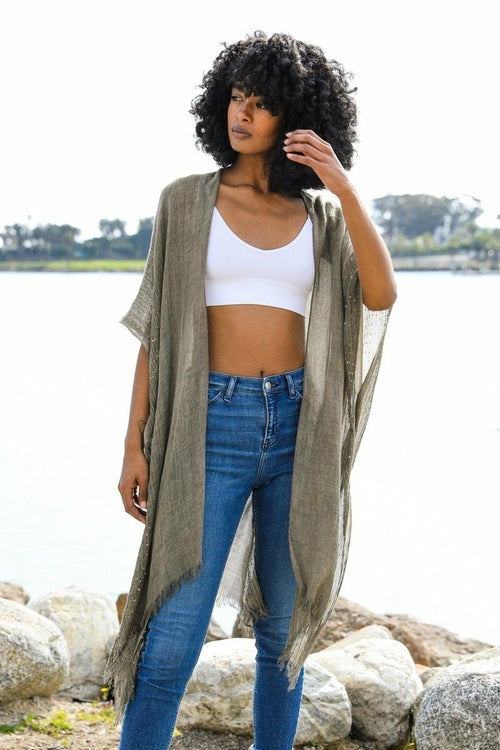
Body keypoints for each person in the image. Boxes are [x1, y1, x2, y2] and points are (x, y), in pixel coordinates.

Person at [105, 30, 397, 750]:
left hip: (301, 428)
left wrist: (343, 186)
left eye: (261, 103)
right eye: (236, 97)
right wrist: (134, 445)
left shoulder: (322, 218)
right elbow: (157, 333)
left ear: (296, 116)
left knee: (282, 636)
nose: (243, 113)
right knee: (172, 637)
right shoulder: (186, 202)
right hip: (210, 425)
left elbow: (381, 294)